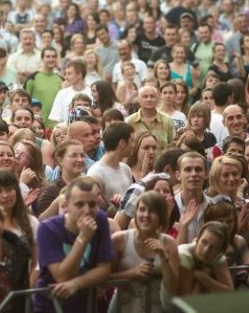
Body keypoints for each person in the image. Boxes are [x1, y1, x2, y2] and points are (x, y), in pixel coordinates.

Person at [34, 176, 114, 312]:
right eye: (79, 204)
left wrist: (76, 283)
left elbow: (104, 269)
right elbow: (62, 276)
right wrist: (83, 238)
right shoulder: (48, 228)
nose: (87, 210)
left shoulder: (100, 219)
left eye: (92, 204)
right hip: (51, 306)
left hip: (86, 305)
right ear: (65, 205)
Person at [110, 191, 179, 311]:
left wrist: (164, 258)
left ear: (161, 216)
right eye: (142, 209)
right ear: (135, 213)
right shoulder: (119, 240)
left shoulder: (169, 243)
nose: (146, 215)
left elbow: (173, 287)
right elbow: (103, 277)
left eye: (152, 211)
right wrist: (131, 273)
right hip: (123, 307)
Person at [177, 222, 234, 295]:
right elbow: (186, 301)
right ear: (197, 239)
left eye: (213, 247)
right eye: (204, 242)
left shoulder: (217, 257)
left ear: (220, 252)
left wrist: (202, 277)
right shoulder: (184, 255)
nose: (206, 250)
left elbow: (229, 293)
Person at [87, 122, 135, 205]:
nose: (134, 145)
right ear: (122, 143)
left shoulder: (126, 169)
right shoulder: (96, 173)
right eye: (132, 141)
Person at [174, 152, 212, 245]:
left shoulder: (214, 207)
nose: (194, 174)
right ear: (178, 175)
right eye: (188, 170)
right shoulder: (169, 209)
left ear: (206, 174)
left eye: (198, 169)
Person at [125, 86, 175, 153]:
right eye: (145, 96)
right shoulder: (129, 121)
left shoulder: (167, 120)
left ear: (157, 99)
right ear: (138, 100)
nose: (149, 99)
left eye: (152, 96)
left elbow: (172, 146)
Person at [49, 58, 92, 124]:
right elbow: (56, 119)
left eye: (69, 74)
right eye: (65, 74)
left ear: (79, 75)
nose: (66, 77)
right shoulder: (62, 93)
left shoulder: (91, 93)